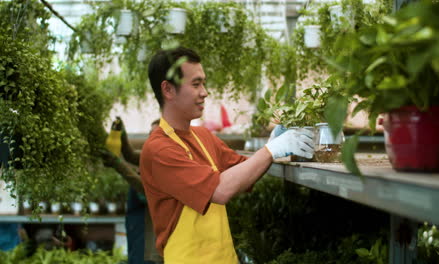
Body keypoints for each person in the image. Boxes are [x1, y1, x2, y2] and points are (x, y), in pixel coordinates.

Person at [140, 46, 314, 263]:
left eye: (204, 83)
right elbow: (220, 190)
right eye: (196, 84)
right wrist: (271, 150)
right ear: (168, 90)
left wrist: (273, 146)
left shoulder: (203, 137)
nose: (204, 92)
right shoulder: (159, 149)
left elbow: (243, 173)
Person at [101, 119, 163, 264]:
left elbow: (147, 189)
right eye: (150, 134)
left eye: (155, 135)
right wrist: (121, 135)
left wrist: (118, 164)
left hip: (149, 233)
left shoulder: (167, 162)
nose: (150, 139)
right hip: (137, 226)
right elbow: (130, 155)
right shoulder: (151, 155)